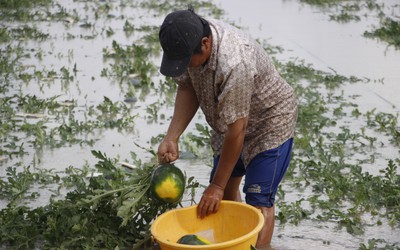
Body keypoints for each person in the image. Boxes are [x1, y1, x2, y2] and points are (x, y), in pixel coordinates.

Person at [156, 7, 297, 248]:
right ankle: (234, 242)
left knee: (258, 199)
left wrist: (216, 186)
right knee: (222, 198)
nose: (185, 66)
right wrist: (172, 136)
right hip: (229, 120)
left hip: (268, 122)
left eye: (187, 60)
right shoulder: (187, 38)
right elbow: (187, 87)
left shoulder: (234, 62)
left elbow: (238, 130)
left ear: (205, 43)